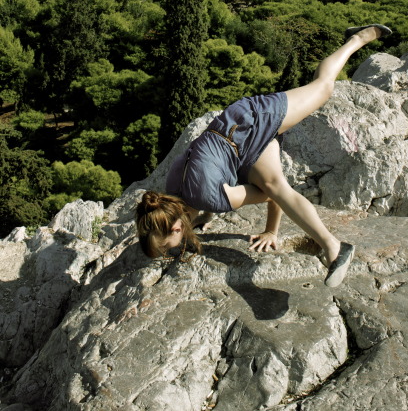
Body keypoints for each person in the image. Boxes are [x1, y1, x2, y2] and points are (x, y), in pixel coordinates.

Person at [136, 24, 392, 287]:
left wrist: (271, 228)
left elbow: (270, 194)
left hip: (253, 121)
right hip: (238, 140)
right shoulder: (172, 192)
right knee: (272, 182)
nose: (169, 253)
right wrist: (213, 217)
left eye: (167, 248)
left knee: (323, 87)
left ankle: (356, 39)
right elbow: (204, 183)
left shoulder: (208, 198)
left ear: (177, 228)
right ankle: (332, 247)